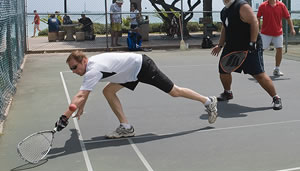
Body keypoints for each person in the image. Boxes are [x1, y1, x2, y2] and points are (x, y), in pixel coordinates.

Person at [55, 51, 218, 138]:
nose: (73, 71)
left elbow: (81, 95)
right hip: (127, 73)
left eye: (74, 67)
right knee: (108, 91)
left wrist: (64, 117)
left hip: (142, 67)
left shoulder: (93, 70)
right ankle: (126, 127)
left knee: (174, 92)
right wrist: (80, 108)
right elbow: (85, 92)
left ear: (83, 61)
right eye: (71, 69)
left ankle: (207, 101)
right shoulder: (91, 67)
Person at [211, 0, 282, 110]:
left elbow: (254, 22)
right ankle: (228, 93)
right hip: (232, 46)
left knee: (258, 74)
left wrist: (252, 42)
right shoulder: (224, 11)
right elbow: (224, 28)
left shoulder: (241, 6)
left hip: (250, 46)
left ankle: (276, 97)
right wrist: (220, 45)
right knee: (223, 70)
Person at [257, 0, 296, 76]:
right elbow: (258, 18)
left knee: (279, 49)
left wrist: (292, 29)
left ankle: (277, 69)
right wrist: (257, 30)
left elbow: (288, 17)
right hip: (265, 33)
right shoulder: (262, 6)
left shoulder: (281, 5)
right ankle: (259, 69)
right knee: (260, 50)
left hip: (278, 33)